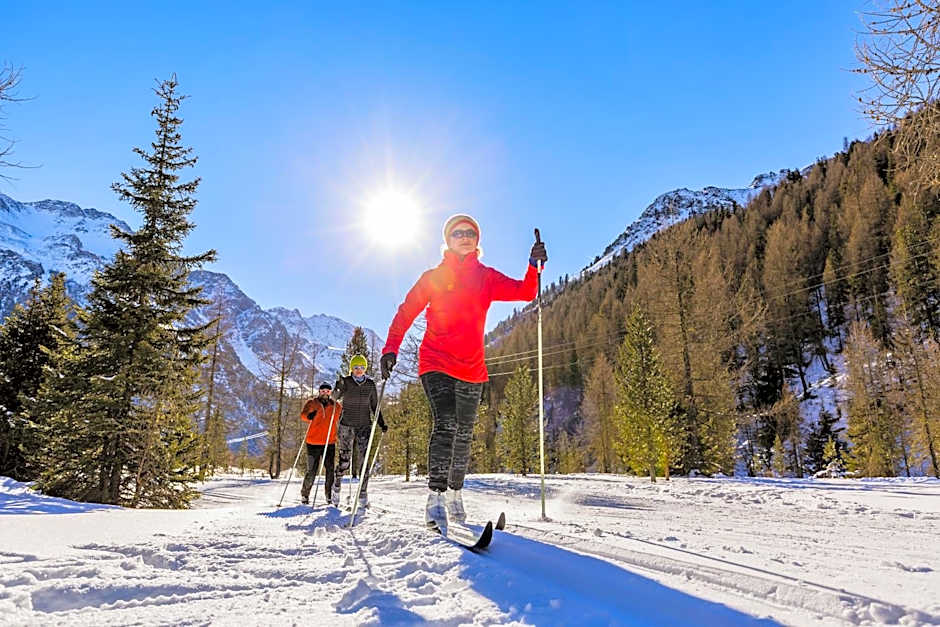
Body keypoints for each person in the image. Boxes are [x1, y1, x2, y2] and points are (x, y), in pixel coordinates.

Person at [380, 214, 547, 531]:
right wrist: (391, 348)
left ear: (477, 240)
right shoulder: (433, 277)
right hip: (436, 362)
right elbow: (406, 312)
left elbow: (526, 292)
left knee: (465, 434)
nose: (465, 236)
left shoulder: (486, 277)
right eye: (458, 233)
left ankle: (455, 494)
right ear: (448, 240)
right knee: (446, 423)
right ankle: (435, 498)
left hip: (472, 368)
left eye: (470, 232)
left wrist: (533, 265)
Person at [332, 354, 387, 508]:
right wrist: (338, 387)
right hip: (346, 425)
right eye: (356, 367)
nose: (359, 370)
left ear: (365, 369)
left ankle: (363, 493)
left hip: (364, 426)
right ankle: (336, 486)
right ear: (351, 368)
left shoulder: (370, 384)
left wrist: (381, 423)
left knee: (364, 461)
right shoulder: (346, 382)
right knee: (345, 461)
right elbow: (334, 397)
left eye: (362, 367)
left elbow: (375, 406)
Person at [299, 382, 341, 505]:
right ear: (319, 392)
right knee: (312, 470)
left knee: (330, 470)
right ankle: (305, 494)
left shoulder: (335, 406)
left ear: (330, 393)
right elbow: (303, 415)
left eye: (327, 391)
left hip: (329, 442)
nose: (325, 393)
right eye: (323, 391)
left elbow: (342, 416)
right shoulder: (312, 403)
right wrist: (308, 416)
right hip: (313, 442)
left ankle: (329, 495)